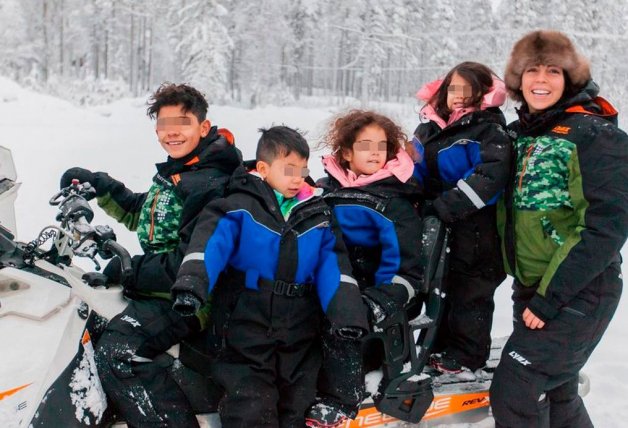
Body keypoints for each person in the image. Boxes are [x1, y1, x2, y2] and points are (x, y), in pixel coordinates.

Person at [59, 83, 242, 427]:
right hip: (162, 289)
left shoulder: (209, 182)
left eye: (182, 122)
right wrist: (102, 186)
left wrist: (127, 269)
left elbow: (186, 264)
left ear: (203, 127)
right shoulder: (185, 169)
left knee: (118, 353)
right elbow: (151, 214)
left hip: (193, 299)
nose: (171, 132)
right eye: (163, 123)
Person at [170, 126, 369, 427]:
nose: (297, 178)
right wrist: (191, 284)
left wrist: (347, 314)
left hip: (300, 329)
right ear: (262, 168)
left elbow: (334, 267)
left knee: (298, 406)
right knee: (250, 405)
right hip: (247, 324)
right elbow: (209, 247)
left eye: (302, 169)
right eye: (288, 169)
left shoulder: (317, 214)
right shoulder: (237, 207)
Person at [490, 30, 628, 427]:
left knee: (516, 387)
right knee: (556, 391)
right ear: (518, 79)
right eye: (531, 70)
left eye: (553, 71)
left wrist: (550, 298)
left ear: (570, 79)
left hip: (580, 290)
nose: (541, 80)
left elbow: (607, 227)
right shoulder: (520, 134)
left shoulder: (595, 135)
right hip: (532, 288)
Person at [306, 110, 423, 427]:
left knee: (340, 316)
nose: (374, 152)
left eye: (381, 146)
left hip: (374, 294)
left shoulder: (392, 201)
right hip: (325, 281)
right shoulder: (326, 191)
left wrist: (375, 301)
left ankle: (340, 399)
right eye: (364, 145)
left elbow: (407, 269)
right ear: (346, 152)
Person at [408, 61, 512, 376]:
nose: (459, 96)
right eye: (454, 88)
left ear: (482, 94)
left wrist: (445, 205)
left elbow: (490, 177)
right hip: (439, 225)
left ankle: (468, 353)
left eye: (468, 90)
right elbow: (412, 169)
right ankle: (438, 346)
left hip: (477, 227)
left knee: (471, 293)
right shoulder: (428, 128)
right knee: (440, 288)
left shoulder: (488, 128)